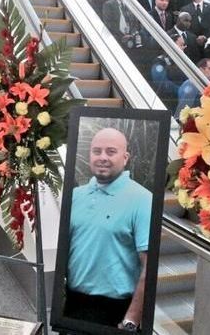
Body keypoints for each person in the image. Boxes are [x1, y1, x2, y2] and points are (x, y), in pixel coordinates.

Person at [65, 128, 152, 332]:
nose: (102, 157)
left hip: (115, 313)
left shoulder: (143, 199)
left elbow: (149, 266)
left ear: (125, 157)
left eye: (111, 151)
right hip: (72, 306)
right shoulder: (76, 195)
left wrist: (131, 320)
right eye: (97, 151)